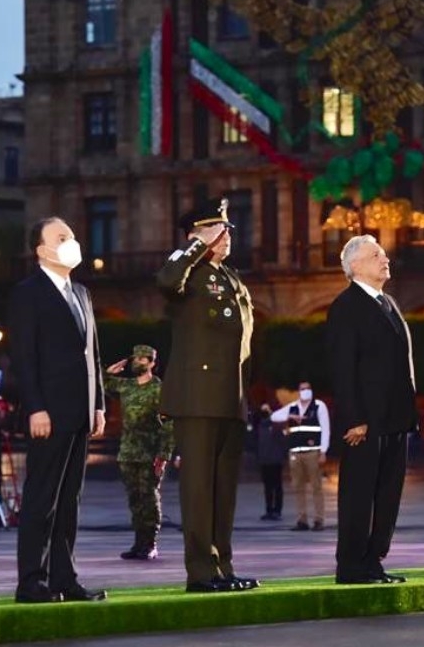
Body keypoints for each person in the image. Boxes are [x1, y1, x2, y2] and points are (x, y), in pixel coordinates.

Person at [157, 198, 259, 593]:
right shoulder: (188, 272)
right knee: (199, 487)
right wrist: (197, 246)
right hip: (197, 396)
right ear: (196, 235)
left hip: (230, 397)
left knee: (223, 488)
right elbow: (166, 280)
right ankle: (200, 572)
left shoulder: (231, 278)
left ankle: (222, 566)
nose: (227, 235)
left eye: (228, 229)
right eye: (218, 229)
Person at [8, 217, 107, 603]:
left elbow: (93, 355)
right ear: (42, 250)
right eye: (62, 237)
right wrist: (35, 407)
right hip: (49, 411)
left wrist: (98, 403)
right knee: (42, 499)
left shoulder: (81, 292)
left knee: (70, 499)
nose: (72, 242)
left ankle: (65, 578)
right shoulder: (28, 293)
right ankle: (32, 580)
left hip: (80, 411)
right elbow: (24, 356)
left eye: (72, 235)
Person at [325, 235, 418, 584]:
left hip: (395, 419)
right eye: (375, 255)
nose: (385, 258)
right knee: (359, 495)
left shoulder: (388, 302)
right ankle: (351, 565)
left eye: (383, 254)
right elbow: (342, 366)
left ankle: (373, 561)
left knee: (387, 495)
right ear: (354, 267)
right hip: (366, 423)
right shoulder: (346, 306)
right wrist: (354, 419)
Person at [104, 344, 174, 561]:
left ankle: (150, 543)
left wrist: (163, 455)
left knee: (149, 498)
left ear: (152, 363)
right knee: (135, 499)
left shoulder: (159, 389)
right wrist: (109, 371)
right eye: (135, 358)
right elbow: (103, 385)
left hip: (149, 453)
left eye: (143, 359)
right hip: (128, 451)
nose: (138, 362)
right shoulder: (128, 386)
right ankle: (138, 543)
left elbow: (169, 424)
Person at [270, 381, 331, 531]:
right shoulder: (293, 406)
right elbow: (274, 416)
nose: (305, 391)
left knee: (316, 487)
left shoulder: (318, 406)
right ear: (298, 391)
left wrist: (323, 451)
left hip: (312, 452)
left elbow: (325, 428)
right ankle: (302, 520)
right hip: (295, 453)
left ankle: (319, 520)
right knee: (298, 487)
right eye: (302, 389)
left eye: (308, 388)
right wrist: (290, 415)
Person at [252, 403, 287, 521]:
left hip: (276, 461)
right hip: (265, 461)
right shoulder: (259, 426)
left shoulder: (276, 425)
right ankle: (269, 510)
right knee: (267, 487)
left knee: (277, 486)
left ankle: (277, 510)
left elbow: (283, 441)